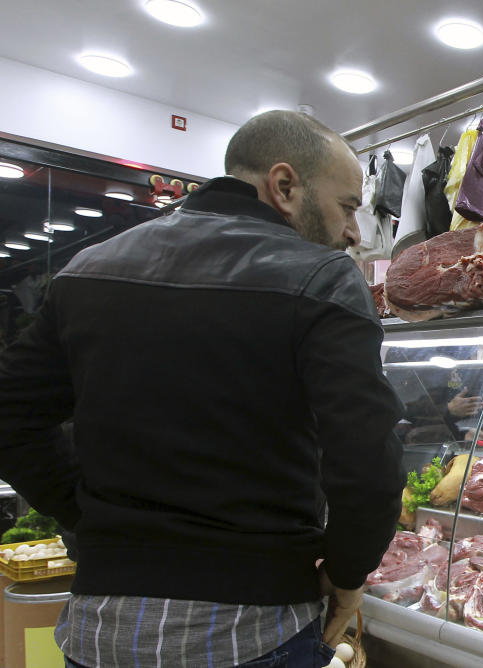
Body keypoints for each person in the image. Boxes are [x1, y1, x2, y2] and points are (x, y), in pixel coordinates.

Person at [0, 110, 405, 667]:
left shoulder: (86, 268)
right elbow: (367, 458)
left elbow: (9, 415)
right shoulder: (323, 277)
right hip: (253, 629)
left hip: (99, 629)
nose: (354, 232)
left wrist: (92, 519)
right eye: (348, 207)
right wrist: (348, 572)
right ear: (285, 186)